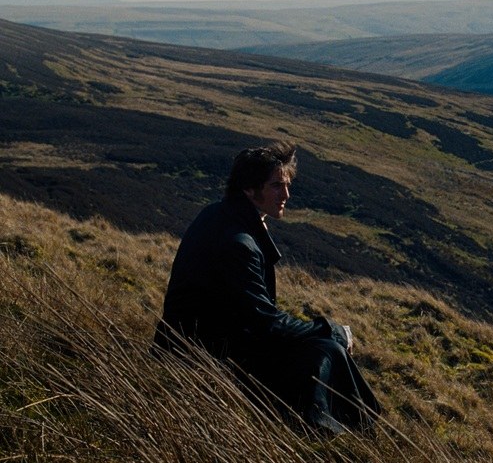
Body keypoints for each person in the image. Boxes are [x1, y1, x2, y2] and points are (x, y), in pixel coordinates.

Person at [154, 141, 379, 435]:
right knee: (325, 349)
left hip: (199, 344)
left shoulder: (218, 214)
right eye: (276, 186)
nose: (286, 194)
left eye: (286, 185)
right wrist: (333, 330)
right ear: (249, 189)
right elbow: (263, 323)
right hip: (204, 356)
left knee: (319, 347)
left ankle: (338, 429)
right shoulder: (239, 244)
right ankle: (338, 433)